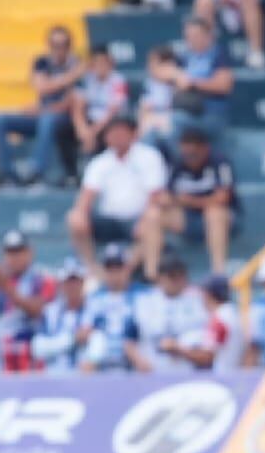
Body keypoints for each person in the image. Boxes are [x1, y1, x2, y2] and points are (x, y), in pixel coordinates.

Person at [69, 116, 168, 279]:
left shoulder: (149, 156)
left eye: (122, 132)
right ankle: (92, 270)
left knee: (154, 216)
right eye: (113, 132)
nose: (117, 136)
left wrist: (143, 220)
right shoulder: (100, 162)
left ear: (133, 134)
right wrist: (80, 213)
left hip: (137, 218)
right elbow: (85, 198)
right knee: (74, 218)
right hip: (108, 219)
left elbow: (156, 195)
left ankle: (149, 274)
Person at [0, 25, 83, 187]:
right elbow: (41, 87)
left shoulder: (76, 63)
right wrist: (68, 78)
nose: (58, 49)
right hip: (42, 114)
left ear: (69, 46)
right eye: (54, 45)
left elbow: (70, 102)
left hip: (64, 118)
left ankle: (37, 172)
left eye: (63, 45)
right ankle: (6, 174)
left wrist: (42, 108)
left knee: (47, 120)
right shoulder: (42, 62)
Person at [163, 127, 237, 273]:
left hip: (223, 219)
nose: (190, 156)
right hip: (185, 219)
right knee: (152, 216)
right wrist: (178, 202)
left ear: (205, 149)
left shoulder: (220, 162)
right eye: (187, 152)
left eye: (194, 153)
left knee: (214, 213)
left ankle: (218, 271)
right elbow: (165, 197)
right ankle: (150, 274)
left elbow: (223, 198)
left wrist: (188, 201)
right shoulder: (176, 164)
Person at [158, 16, 235, 143]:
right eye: (188, 36)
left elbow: (224, 86)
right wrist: (177, 75)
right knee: (153, 126)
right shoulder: (186, 56)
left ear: (208, 35)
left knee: (174, 122)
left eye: (196, 35)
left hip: (210, 114)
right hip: (185, 109)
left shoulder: (218, 54)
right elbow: (159, 71)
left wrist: (192, 82)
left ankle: (179, 163)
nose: (191, 40)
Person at [0, 229, 54, 373]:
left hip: (32, 354)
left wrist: (7, 288)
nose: (15, 257)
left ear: (30, 252)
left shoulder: (42, 278)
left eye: (19, 251)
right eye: (10, 252)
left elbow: (38, 311)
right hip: (0, 354)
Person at [79, 242, 151, 373]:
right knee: (95, 343)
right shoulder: (95, 297)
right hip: (101, 360)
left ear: (128, 268)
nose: (114, 273)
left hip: (135, 356)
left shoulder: (144, 294)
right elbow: (85, 330)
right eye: (109, 268)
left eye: (118, 267)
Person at [132, 253, 206, 371]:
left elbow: (201, 334)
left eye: (181, 276)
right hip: (153, 367)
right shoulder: (145, 300)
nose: (177, 281)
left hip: (188, 368)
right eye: (172, 276)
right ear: (160, 277)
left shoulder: (198, 300)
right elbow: (135, 335)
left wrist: (178, 346)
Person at [70, 44, 130, 159]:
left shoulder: (118, 80)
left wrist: (92, 132)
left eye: (103, 62)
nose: (100, 66)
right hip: (90, 122)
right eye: (96, 63)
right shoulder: (87, 79)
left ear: (110, 63)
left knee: (104, 134)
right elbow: (78, 107)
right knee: (68, 130)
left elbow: (112, 112)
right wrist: (82, 130)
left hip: (111, 122)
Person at [32, 258, 91, 374]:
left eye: (75, 281)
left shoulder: (93, 310)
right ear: (61, 284)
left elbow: (100, 344)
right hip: (55, 380)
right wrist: (73, 339)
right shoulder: (50, 312)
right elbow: (37, 348)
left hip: (85, 380)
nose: (72, 286)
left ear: (83, 282)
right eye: (68, 281)